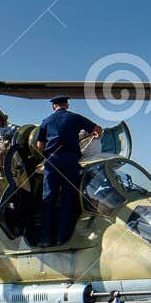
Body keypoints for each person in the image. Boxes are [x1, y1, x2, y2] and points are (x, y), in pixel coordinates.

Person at [33, 95, 102, 247]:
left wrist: (49, 154)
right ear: (67, 105)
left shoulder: (46, 121)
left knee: (49, 199)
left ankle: (45, 238)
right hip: (70, 161)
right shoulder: (75, 118)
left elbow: (39, 145)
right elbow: (98, 129)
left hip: (52, 162)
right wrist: (95, 135)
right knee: (67, 199)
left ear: (53, 106)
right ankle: (61, 238)